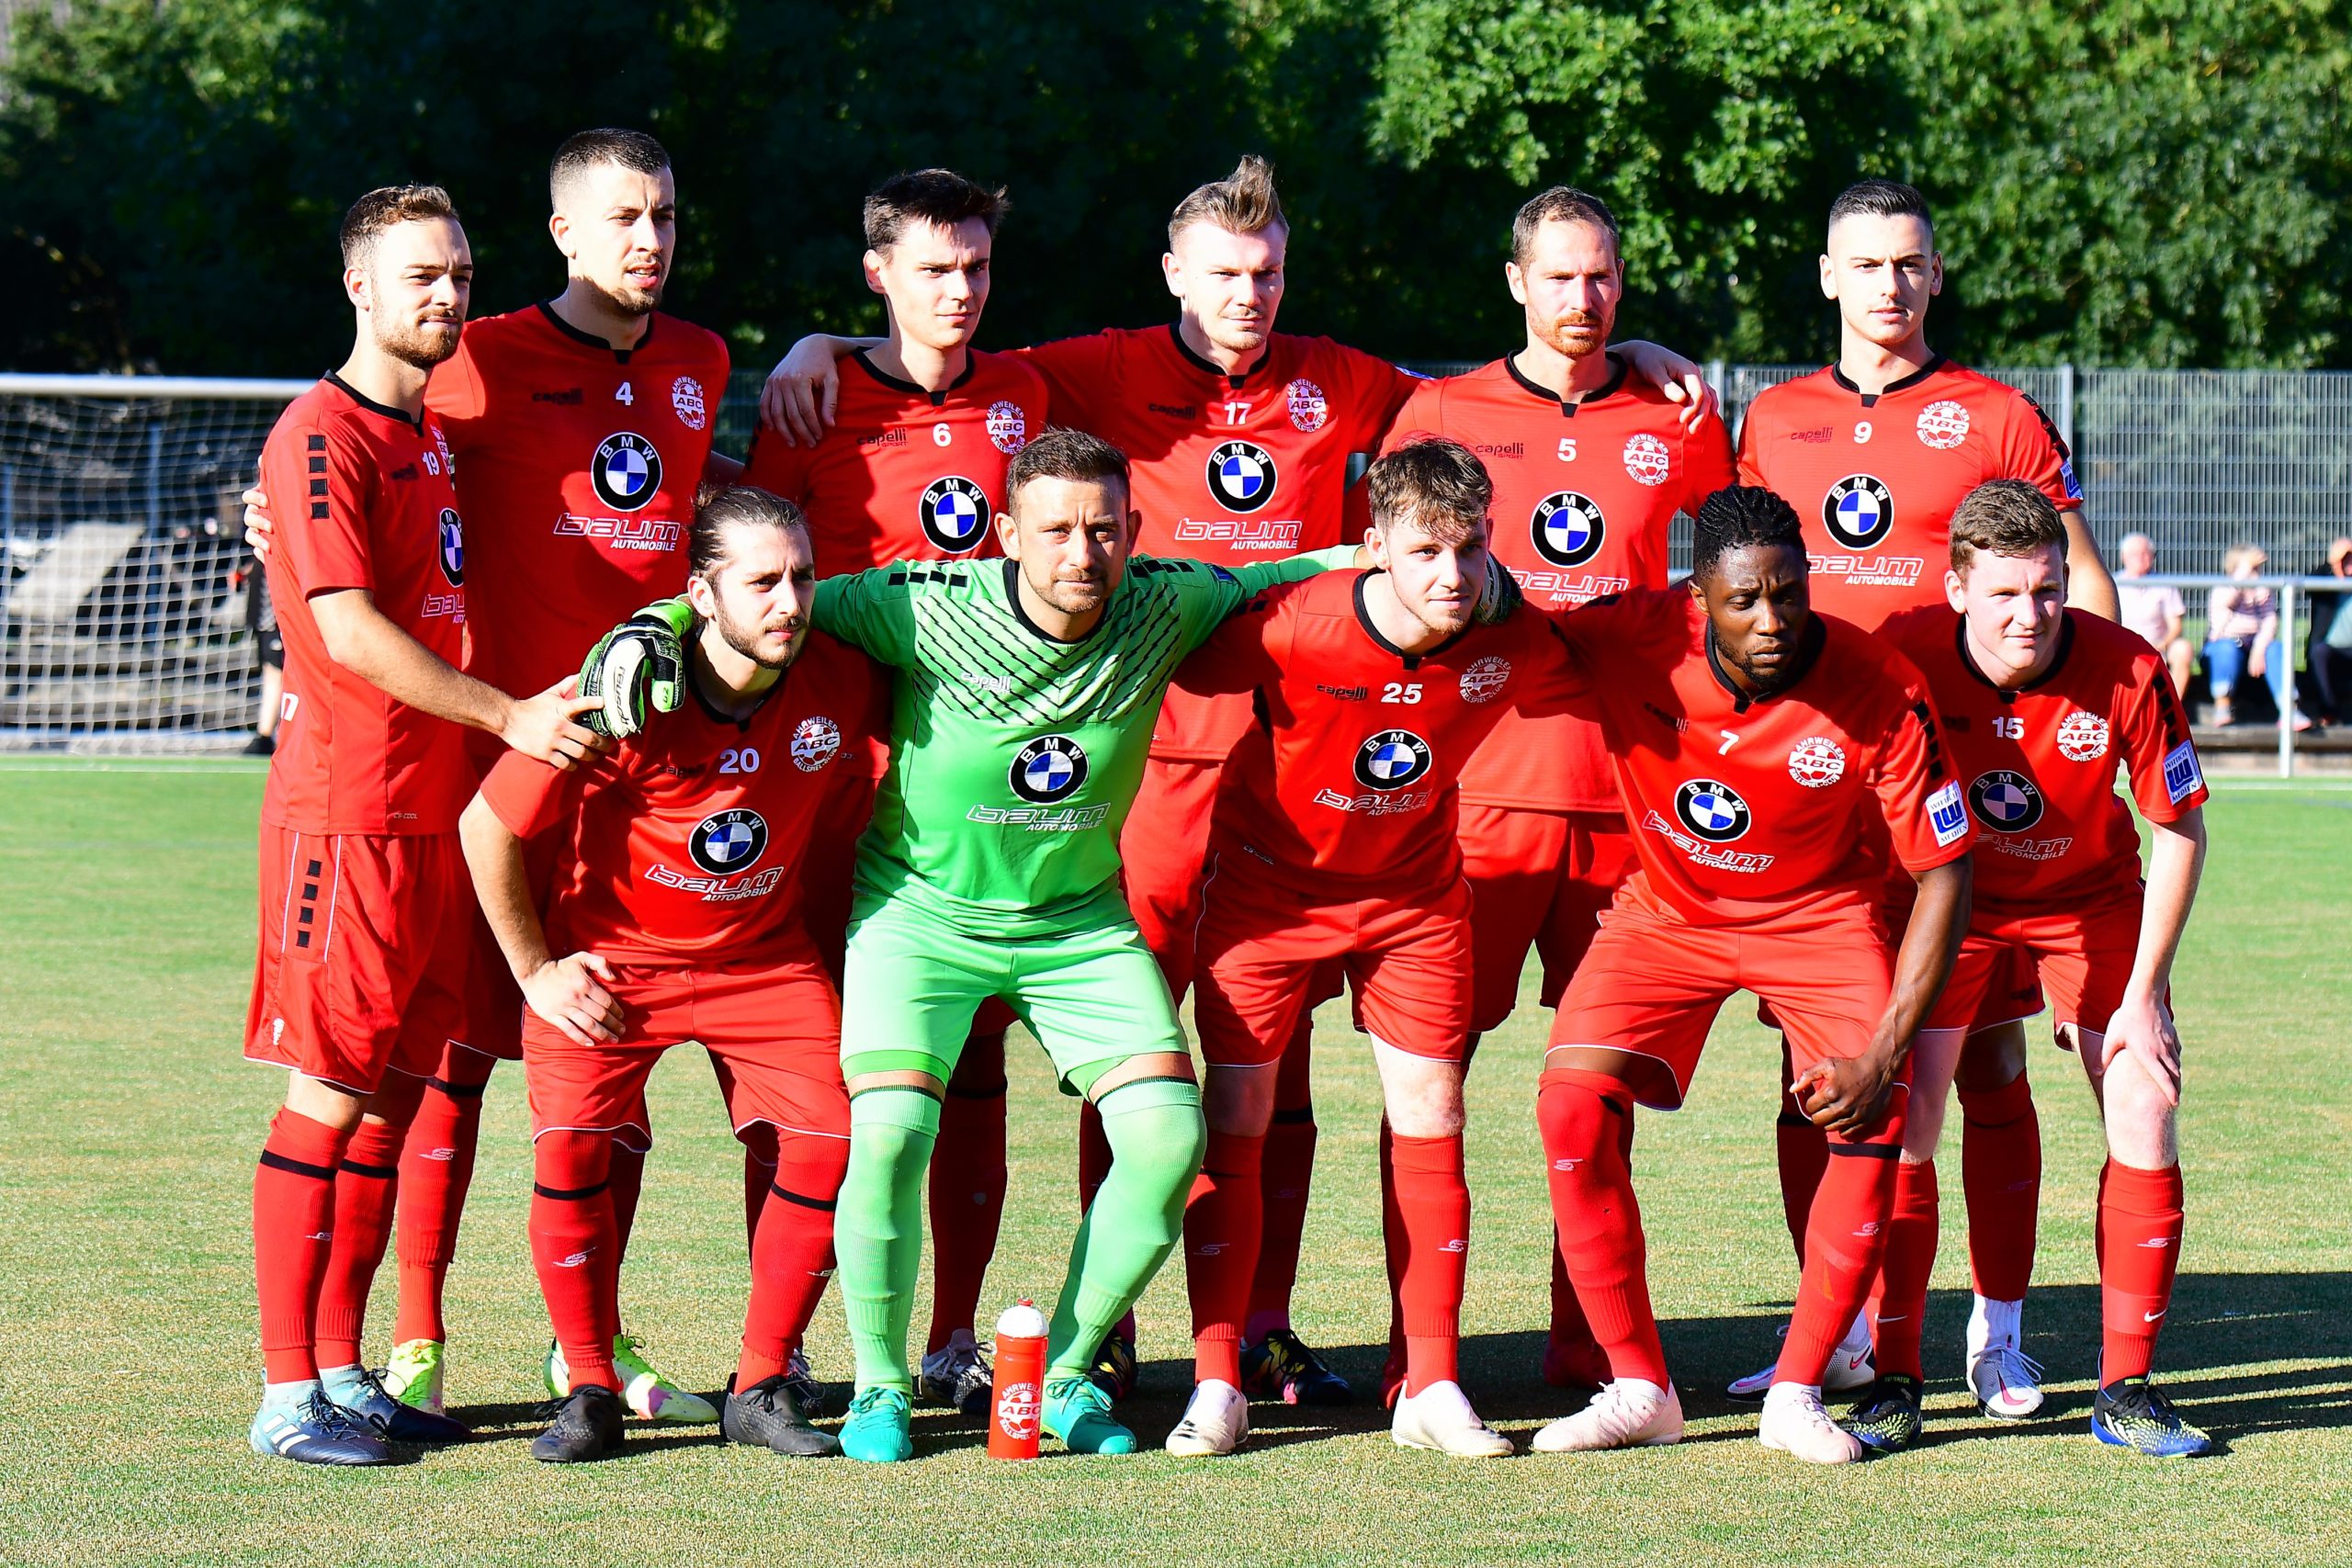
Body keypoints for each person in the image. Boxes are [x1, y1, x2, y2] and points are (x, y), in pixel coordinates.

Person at [759, 155, 1719, 1401]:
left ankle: (1262, 1323)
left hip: (1292, 767)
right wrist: (827, 341)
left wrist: (1622, 347)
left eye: (1266, 272)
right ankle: (1098, 1332)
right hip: (1144, 768)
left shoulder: (1347, 380)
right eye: (1222, 272)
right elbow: (948, 343)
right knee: (1124, 1062)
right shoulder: (1090, 371)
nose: (1247, 295)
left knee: (1278, 1065)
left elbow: (1510, 389)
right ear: (1173, 274)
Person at [579, 428, 1493, 1463]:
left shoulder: (1165, 600)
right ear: (1007, 535)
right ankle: (880, 1383)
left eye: (1103, 529)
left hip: (1076, 925)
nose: (1081, 552)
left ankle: (1061, 1371)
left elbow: (1285, 574)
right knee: (888, 1135)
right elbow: (767, 604)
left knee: (1168, 1139)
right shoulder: (918, 604)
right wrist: (650, 623)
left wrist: (1428, 568)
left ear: (1132, 530)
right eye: (1054, 529)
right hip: (920, 916)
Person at [244, 128, 740, 1423]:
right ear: (564, 232)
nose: (649, 237)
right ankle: (358, 1358)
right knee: (403, 1082)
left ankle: (567, 1343)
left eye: (665, 213)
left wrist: (826, 365)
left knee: (572, 1058)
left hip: (602, 777)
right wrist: (508, 714)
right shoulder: (438, 383)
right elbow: (336, 580)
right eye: (622, 215)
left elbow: (696, 503)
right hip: (434, 785)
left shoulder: (680, 367)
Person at [1728, 176, 2115, 1407]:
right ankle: (1837, 1330)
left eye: (1909, 262)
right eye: (1865, 262)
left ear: (1935, 274)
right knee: (1818, 1066)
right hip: (1814, 792)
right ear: (1826, 275)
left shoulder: (1996, 413)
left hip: (1959, 793)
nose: (1888, 284)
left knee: (1985, 1063)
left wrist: (2081, 751)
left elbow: (2084, 591)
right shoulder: (1771, 417)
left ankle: (1997, 1332)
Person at [242, 184, 598, 1466]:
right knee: (328, 1098)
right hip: (348, 818)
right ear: (359, 287)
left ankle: (343, 1370)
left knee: (392, 1102)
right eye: (419, 276)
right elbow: (345, 628)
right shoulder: (322, 433)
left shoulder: (429, 433)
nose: (445, 295)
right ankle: (287, 1395)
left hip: (432, 817)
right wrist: (507, 715)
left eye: (457, 274)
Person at [1362, 186, 1734, 1398]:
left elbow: (1728, 574)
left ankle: (1590, 1342)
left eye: (1603, 275)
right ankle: (1423, 1354)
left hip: (1630, 800)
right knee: (1427, 1077)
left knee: (1596, 1080)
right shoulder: (1440, 411)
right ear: (1516, 281)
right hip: (1471, 795)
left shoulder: (1677, 411)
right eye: (1561, 276)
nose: (1584, 297)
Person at [1527, 483, 1972, 1466]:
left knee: (1874, 1108)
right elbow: (1496, 630)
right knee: (1569, 1107)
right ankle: (1639, 1387)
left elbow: (1946, 872)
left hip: (1818, 917)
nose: (1771, 620)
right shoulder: (1628, 634)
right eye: (1743, 601)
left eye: (1788, 594)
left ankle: (1797, 1389)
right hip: (1667, 912)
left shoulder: (1880, 684)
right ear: (1696, 599)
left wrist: (1885, 1051)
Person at [1167, 438, 1573, 1458]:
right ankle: (1217, 1381)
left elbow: (1606, 660)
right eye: (1425, 550)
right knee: (1236, 1119)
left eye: (1469, 548)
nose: (1452, 573)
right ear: (1375, 545)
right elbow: (1155, 660)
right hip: (1266, 895)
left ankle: (1430, 1383)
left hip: (1413, 900)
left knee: (1434, 1116)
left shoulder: (1512, 634)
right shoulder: (1291, 625)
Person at [462, 486, 886, 1462]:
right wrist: (535, 971)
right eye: (762, 582)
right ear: (701, 594)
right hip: (616, 965)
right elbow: (486, 824)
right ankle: (587, 1385)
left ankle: (762, 1383)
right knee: (571, 1154)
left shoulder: (841, 669)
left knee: (832, 1141)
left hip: (763, 961)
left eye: (802, 578)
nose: (789, 602)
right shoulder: (621, 687)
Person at [741, 167, 1045, 1418]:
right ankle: (786, 1342)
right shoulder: (811, 396)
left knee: (973, 1062)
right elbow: (750, 559)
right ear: (877, 274)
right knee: (809, 1069)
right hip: (829, 778)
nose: (959, 290)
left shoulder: (1030, 392)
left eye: (975, 266)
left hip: (971, 787)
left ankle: (953, 1335)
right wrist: (814, 345)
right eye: (932, 269)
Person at [1874, 479, 2211, 1457]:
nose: (2030, 615)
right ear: (1956, 590)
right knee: (1909, 1120)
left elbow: (2180, 828)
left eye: (2048, 590)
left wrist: (2144, 995)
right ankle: (1896, 1378)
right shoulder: (1902, 652)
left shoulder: (2128, 666)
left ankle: (2126, 1388)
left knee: (2144, 1099)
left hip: (2088, 903)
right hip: (1950, 902)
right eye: (2004, 594)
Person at [2205, 543, 2310, 730]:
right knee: (2225, 649)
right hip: (2226, 645)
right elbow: (2223, 613)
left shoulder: (2263, 590)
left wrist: (2259, 649)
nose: (2255, 574)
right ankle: (2222, 707)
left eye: (2256, 569)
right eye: (2251, 568)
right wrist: (2243, 576)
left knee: (2276, 649)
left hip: (2255, 645)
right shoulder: (2223, 589)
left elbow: (2269, 621)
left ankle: (2290, 710)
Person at [2116, 533, 2192, 698]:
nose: (2141, 558)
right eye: (2135, 554)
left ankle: (2172, 704)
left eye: (2145, 553)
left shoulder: (2164, 584)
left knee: (2183, 649)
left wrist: (2163, 644)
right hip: (2123, 646)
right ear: (2123, 557)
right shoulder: (2114, 584)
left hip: (2158, 645)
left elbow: (2176, 626)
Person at [229, 550, 282, 754]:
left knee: (277, 672)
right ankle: (265, 735)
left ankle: (266, 735)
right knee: (271, 670)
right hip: (265, 619)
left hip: (278, 617)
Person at [2308, 536, 2352, 724]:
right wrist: (2335, 567)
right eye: (2346, 559)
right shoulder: (2326, 582)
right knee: (2319, 652)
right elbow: (2310, 583)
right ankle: (2329, 712)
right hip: (2332, 649)